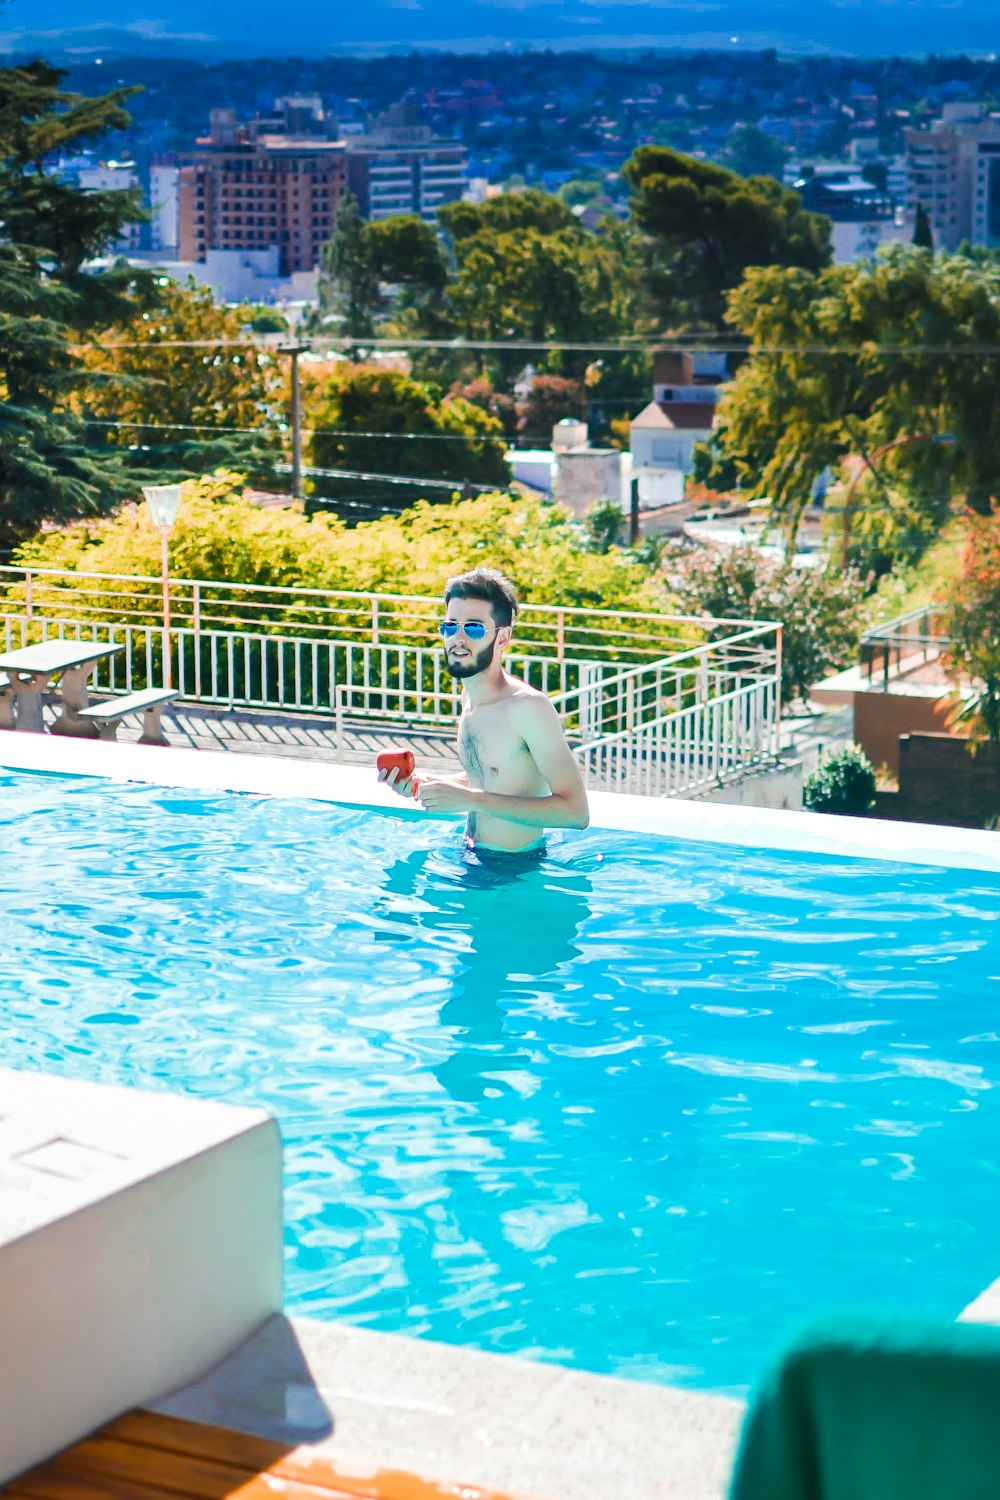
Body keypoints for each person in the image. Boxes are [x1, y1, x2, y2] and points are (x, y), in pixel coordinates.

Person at [379, 566, 589, 854]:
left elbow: (576, 813)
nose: (458, 639)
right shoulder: (470, 696)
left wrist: (470, 800)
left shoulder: (528, 708)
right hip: (472, 856)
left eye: (474, 628)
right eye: (450, 626)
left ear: (502, 638)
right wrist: (423, 785)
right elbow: (488, 777)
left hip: (515, 872)